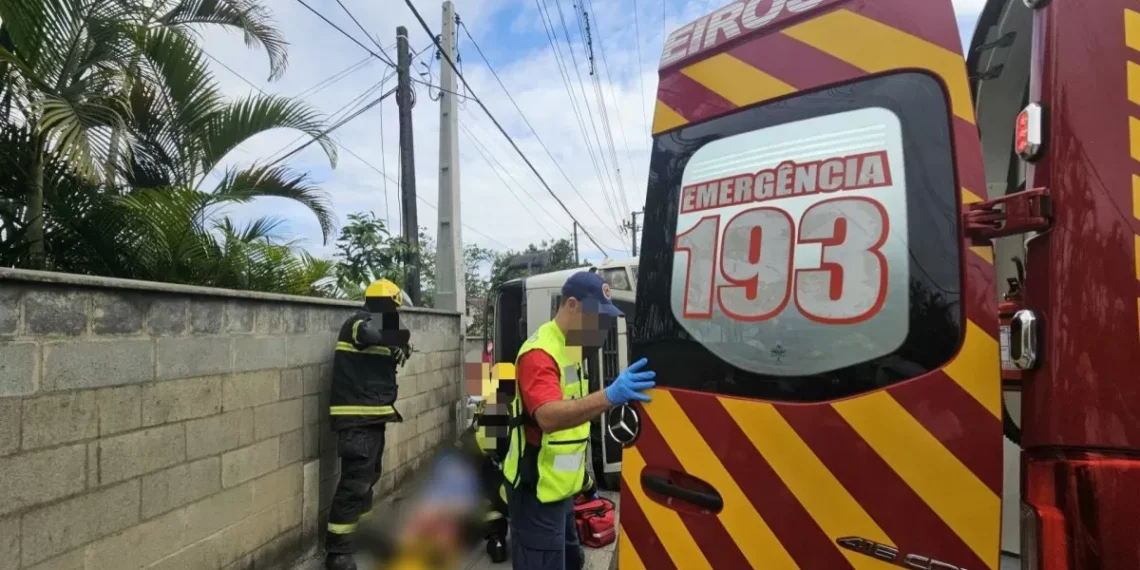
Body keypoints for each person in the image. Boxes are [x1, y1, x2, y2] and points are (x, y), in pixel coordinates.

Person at [502, 271, 656, 570]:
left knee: (571, 559)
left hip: (562, 490)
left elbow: (574, 420)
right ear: (572, 305)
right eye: (597, 317)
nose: (602, 327)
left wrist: (584, 483)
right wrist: (610, 396)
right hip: (535, 491)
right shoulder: (540, 353)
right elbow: (547, 417)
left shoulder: (571, 348)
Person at [326, 279, 413, 570]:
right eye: (394, 309)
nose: (396, 315)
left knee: (368, 480)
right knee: (355, 484)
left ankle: (359, 538)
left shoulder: (381, 332)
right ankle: (338, 552)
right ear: (384, 305)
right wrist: (397, 336)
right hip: (356, 420)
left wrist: (401, 345)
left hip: (373, 417)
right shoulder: (357, 323)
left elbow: (393, 343)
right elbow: (369, 333)